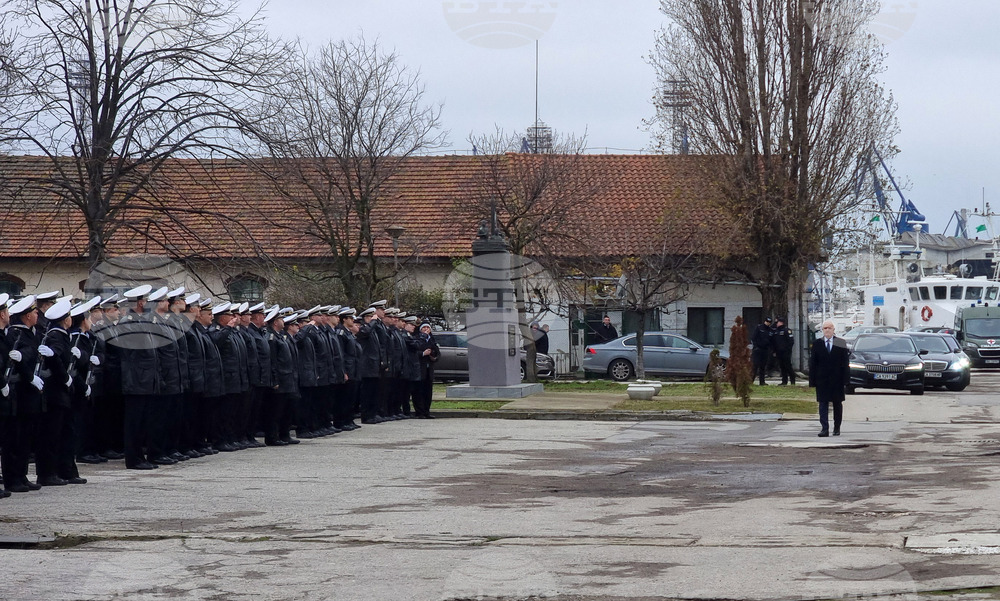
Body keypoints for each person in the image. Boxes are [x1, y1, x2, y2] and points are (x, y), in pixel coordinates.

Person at [809, 320, 850, 437]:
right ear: (822, 330)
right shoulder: (817, 344)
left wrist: (846, 380)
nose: (827, 330)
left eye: (829, 328)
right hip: (822, 380)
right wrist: (812, 381)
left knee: (837, 404)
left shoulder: (840, 343)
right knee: (823, 404)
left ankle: (837, 427)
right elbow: (813, 363)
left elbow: (845, 363)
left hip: (837, 380)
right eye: (825, 328)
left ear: (833, 329)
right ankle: (824, 428)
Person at [772, 317, 795, 385]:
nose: (776, 324)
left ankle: (792, 381)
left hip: (786, 352)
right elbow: (775, 342)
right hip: (779, 352)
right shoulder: (776, 331)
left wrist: (787, 350)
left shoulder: (787, 330)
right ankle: (784, 381)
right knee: (782, 367)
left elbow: (791, 342)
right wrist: (774, 351)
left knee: (788, 366)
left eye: (777, 322)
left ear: (781, 322)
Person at [751, 316, 773, 385]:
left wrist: (770, 349)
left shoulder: (770, 330)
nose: (768, 323)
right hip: (758, 350)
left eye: (769, 322)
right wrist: (755, 346)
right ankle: (751, 381)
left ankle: (762, 382)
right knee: (755, 366)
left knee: (763, 367)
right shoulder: (759, 328)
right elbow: (753, 338)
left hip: (765, 350)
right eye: (767, 322)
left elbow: (771, 341)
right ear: (764, 321)